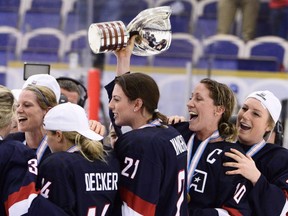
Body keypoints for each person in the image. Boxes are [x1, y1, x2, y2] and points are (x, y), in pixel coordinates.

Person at [105, 37, 188, 215]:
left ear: (137, 105)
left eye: (116, 99)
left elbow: (137, 210)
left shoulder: (141, 144)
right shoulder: (170, 132)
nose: (110, 105)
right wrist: (123, 59)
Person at [37, 102, 121, 215]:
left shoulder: (58, 164)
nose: (46, 141)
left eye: (47, 135)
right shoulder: (110, 157)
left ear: (58, 135)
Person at [0, 85, 70, 216]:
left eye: (26, 105)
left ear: (47, 111)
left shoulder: (63, 147)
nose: (19, 110)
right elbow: (20, 207)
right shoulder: (13, 146)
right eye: (17, 105)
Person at [223, 90, 288, 215]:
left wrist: (256, 178)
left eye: (256, 114)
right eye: (244, 108)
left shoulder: (281, 159)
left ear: (269, 126)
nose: (245, 116)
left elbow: (283, 209)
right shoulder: (221, 147)